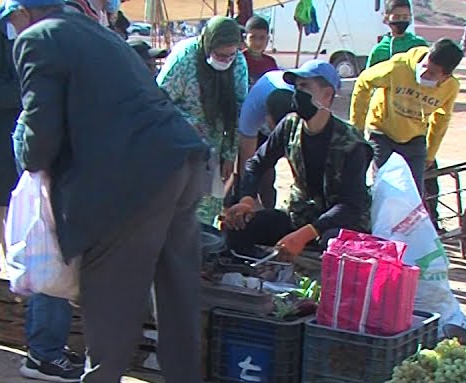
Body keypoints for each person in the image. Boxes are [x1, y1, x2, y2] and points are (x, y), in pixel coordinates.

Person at [7, 0, 210, 383]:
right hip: (183, 159)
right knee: (177, 283)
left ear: (24, 12)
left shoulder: (37, 39)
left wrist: (25, 152)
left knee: (110, 282)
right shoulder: (96, 32)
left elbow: (40, 129)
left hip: (136, 173)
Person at [0, 1, 83, 383]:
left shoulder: (49, 32)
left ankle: (44, 346)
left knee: (47, 253)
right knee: (49, 254)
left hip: (36, 139)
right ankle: (42, 352)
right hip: (22, 142)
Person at [223, 61, 372, 258]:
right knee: (240, 227)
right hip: (300, 216)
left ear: (327, 95)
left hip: (336, 225)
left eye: (305, 87)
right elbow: (256, 163)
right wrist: (247, 200)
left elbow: (352, 205)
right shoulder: (290, 126)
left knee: (332, 244)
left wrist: (305, 235)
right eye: (297, 87)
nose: (297, 94)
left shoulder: (352, 144)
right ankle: (248, 279)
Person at [157, 16, 248, 226]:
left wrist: (229, 154)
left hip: (213, 151)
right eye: (220, 55)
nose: (225, 60)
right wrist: (187, 122)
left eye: (230, 55)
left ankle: (201, 248)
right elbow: (159, 102)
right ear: (208, 45)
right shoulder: (184, 59)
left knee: (207, 207)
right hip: (180, 146)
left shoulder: (239, 65)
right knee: (177, 205)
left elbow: (238, 111)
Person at [350, 40, 462, 198]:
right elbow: (364, 82)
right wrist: (357, 127)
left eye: (432, 73)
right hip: (382, 131)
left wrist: (430, 154)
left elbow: (441, 119)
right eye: (424, 66)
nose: (424, 74)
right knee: (383, 189)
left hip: (415, 138)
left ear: (445, 77)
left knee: (412, 193)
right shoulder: (399, 67)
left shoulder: (451, 87)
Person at [236, 67, 296, 211]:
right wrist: (248, 198)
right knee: (263, 174)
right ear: (267, 118)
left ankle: (271, 210)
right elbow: (248, 160)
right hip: (260, 127)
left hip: (290, 114)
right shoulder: (252, 111)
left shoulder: (307, 108)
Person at [366, 0, 428, 67]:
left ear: (410, 18)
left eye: (405, 17)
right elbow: (368, 76)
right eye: (396, 17)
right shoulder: (379, 50)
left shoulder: (419, 44)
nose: (401, 20)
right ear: (386, 18)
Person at [242, 14, 276, 83]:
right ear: (245, 38)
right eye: (253, 37)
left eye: (262, 37)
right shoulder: (239, 60)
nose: (257, 42)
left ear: (268, 39)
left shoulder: (270, 62)